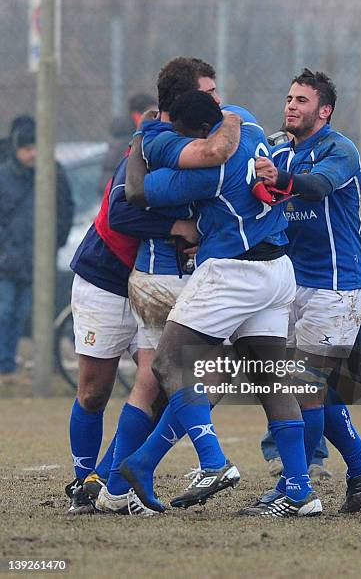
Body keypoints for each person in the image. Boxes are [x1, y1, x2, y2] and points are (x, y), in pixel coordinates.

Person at [120, 90, 322, 518]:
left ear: (196, 132)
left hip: (234, 274)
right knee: (270, 382)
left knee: (168, 364)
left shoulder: (206, 171)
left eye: (185, 138)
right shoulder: (246, 121)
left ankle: (212, 460)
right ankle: (301, 489)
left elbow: (136, 192)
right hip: (277, 269)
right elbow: (230, 114)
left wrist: (141, 138)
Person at [66, 58, 241, 515]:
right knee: (93, 391)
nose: (217, 101)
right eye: (209, 91)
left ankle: (109, 480)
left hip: (153, 281)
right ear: (178, 103)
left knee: (158, 378)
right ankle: (83, 478)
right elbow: (121, 213)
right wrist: (179, 225)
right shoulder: (145, 147)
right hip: (106, 277)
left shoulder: (196, 143)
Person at [246, 68, 361, 515]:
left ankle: (296, 489)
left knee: (304, 386)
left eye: (302, 100)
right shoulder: (276, 147)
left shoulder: (339, 150)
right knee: (306, 387)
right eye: (289, 98)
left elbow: (317, 187)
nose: (291, 106)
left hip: (338, 287)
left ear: (324, 111)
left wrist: (276, 180)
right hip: (293, 284)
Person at [0, 118, 73, 376]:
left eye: (35, 147)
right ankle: (5, 363)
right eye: (27, 148)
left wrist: (55, 242)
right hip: (7, 260)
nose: (32, 154)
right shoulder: (5, 177)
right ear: (16, 150)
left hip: (37, 259)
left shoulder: (53, 173)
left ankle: (39, 364)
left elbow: (65, 209)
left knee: (24, 314)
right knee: (5, 311)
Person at [100, 93, 157, 191]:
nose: (156, 119)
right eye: (152, 114)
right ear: (138, 116)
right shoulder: (131, 141)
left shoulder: (121, 136)